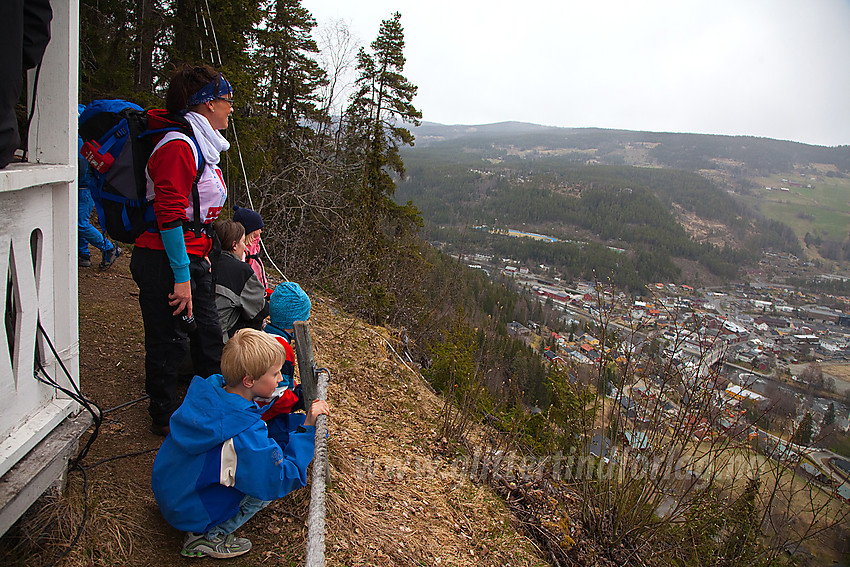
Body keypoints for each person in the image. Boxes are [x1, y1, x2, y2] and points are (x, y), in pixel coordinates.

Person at [151, 329, 330, 559]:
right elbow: (281, 478)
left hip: (169, 492)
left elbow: (246, 410)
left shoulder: (209, 392)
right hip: (187, 512)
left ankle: (196, 516)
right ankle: (206, 537)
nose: (279, 379)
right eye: (275, 374)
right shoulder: (242, 433)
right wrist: (307, 429)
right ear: (249, 380)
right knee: (262, 493)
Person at [129, 65, 232, 435]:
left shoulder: (200, 144)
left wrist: (200, 254)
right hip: (164, 259)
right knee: (168, 339)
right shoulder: (178, 145)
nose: (230, 109)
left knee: (206, 336)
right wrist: (182, 275)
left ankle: (215, 410)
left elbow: (193, 213)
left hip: (189, 255)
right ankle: (165, 418)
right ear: (206, 105)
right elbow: (169, 216)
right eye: (226, 100)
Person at [77, 105, 120, 269]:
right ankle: (83, 254)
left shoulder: (81, 139)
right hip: (85, 187)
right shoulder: (85, 137)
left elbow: (82, 166)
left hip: (84, 188)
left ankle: (109, 248)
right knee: (80, 220)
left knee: (79, 223)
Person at [212, 220, 268, 341]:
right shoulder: (240, 271)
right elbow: (260, 310)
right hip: (222, 341)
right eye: (242, 242)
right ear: (234, 245)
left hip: (192, 337)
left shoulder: (202, 263)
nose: (245, 247)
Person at [264, 281, 311, 390]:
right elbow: (279, 394)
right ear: (297, 320)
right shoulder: (283, 350)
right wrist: (300, 398)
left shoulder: (261, 336)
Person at [232, 205, 268, 294]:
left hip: (260, 289)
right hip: (250, 292)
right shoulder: (242, 252)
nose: (260, 231)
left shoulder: (255, 246)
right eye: (258, 229)